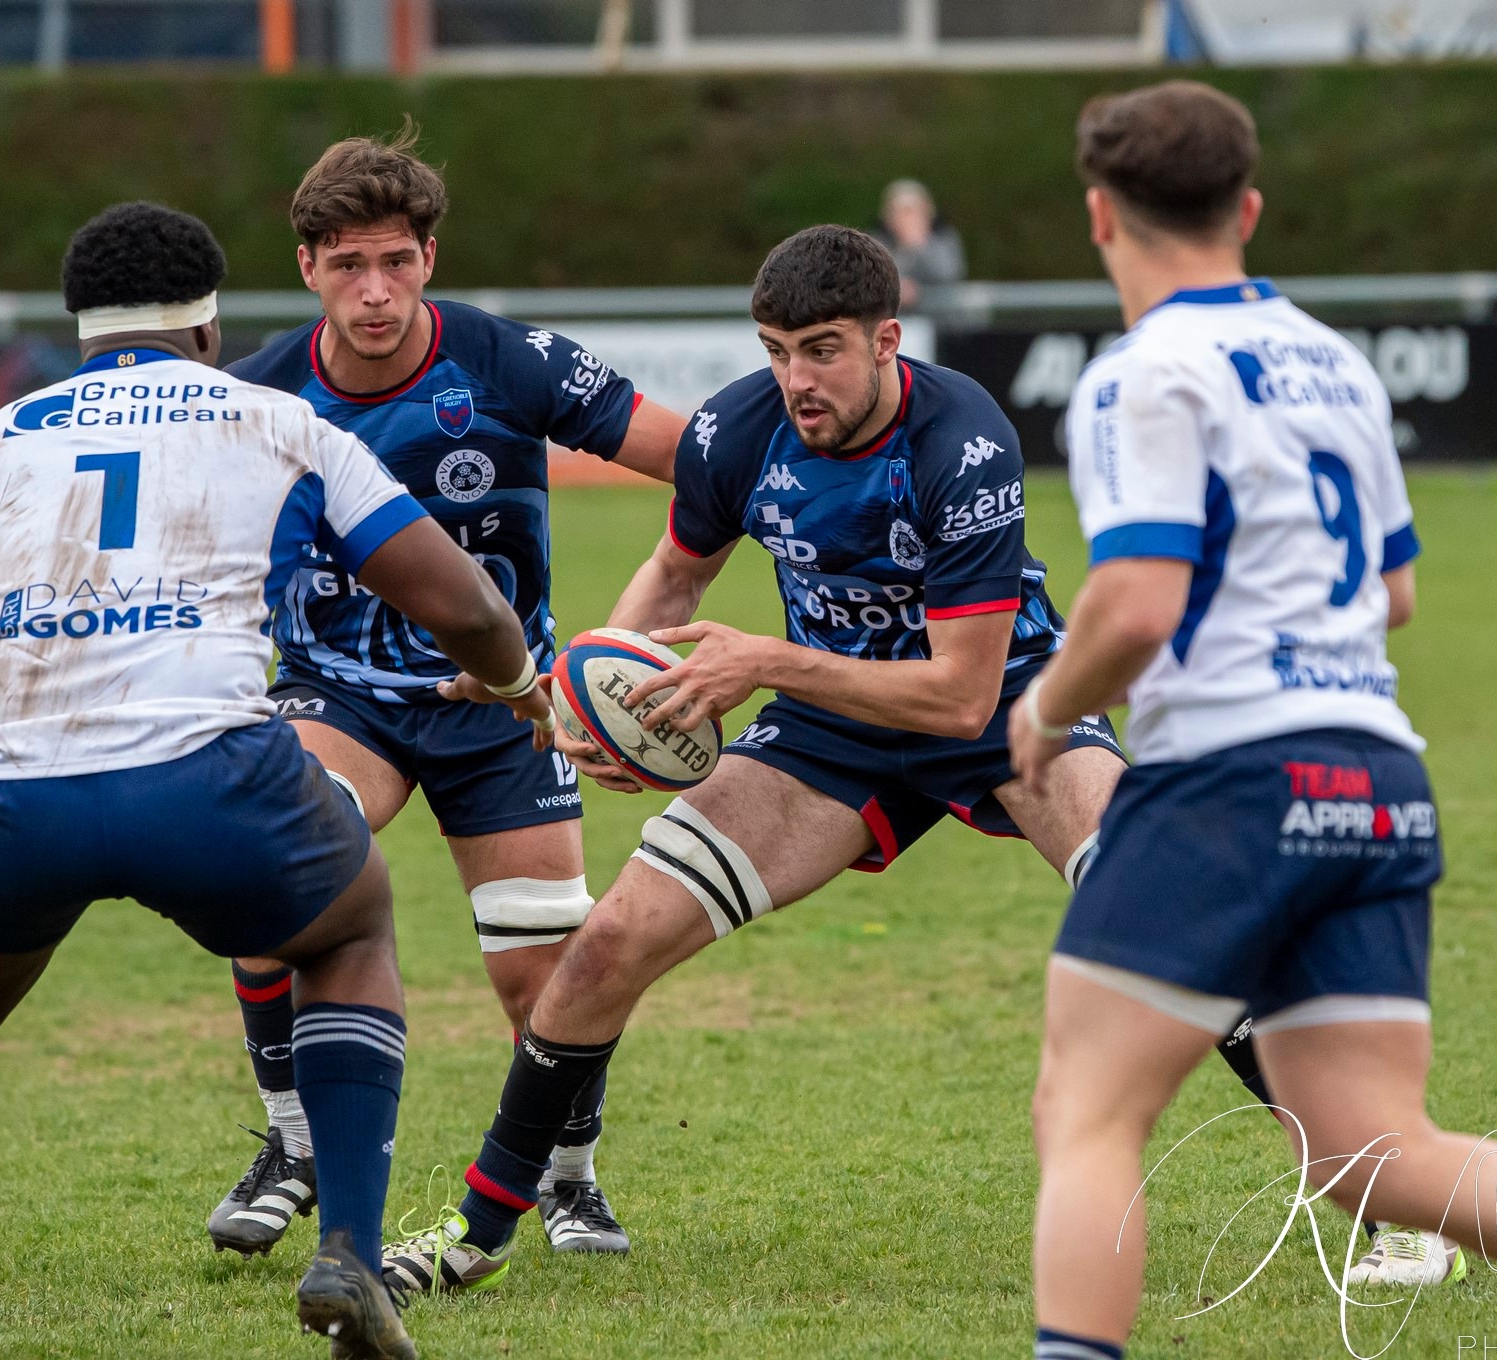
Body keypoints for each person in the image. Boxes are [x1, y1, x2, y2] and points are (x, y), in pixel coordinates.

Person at [0, 201, 553, 1360]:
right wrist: (519, 684)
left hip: (3, 787)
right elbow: (466, 603)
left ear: (80, 332)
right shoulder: (280, 424)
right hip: (206, 777)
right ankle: (351, 1257)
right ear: (209, 327)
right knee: (349, 927)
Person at [1023, 80, 1497, 1360]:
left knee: (1086, 1114)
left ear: (1099, 216)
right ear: (1247, 207)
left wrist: (1044, 710)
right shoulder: (1333, 360)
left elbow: (1135, 604)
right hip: (1374, 776)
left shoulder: (1138, 373)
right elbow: (1395, 592)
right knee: (1371, 1148)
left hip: (1229, 783)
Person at [372, 222, 1129, 1299]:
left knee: (1156, 903)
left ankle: (1382, 1192)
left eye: (821, 349)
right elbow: (674, 577)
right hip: (830, 725)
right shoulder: (738, 428)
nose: (796, 379)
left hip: (1008, 701)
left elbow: (960, 689)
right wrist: (593, 689)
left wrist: (769, 660)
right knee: (605, 946)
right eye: (776, 349)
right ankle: (477, 1231)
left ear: (887, 340)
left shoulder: (961, 439)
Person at [205, 131, 686, 1262]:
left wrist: (696, 575)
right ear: (309, 265)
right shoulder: (258, 396)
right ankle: (293, 1144)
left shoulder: (504, 359)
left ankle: (568, 1176)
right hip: (338, 692)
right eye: (346, 265)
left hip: (506, 704)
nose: (375, 292)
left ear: (428, 255)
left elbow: (688, 459)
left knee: (546, 974)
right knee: (266, 878)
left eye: (396, 262)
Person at [871, 178, 966, 314]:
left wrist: (918, 243)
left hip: (941, 319)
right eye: (901, 212)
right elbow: (870, 279)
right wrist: (895, 288)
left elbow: (948, 275)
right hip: (895, 318)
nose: (907, 219)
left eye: (912, 211)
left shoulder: (944, 238)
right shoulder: (876, 242)